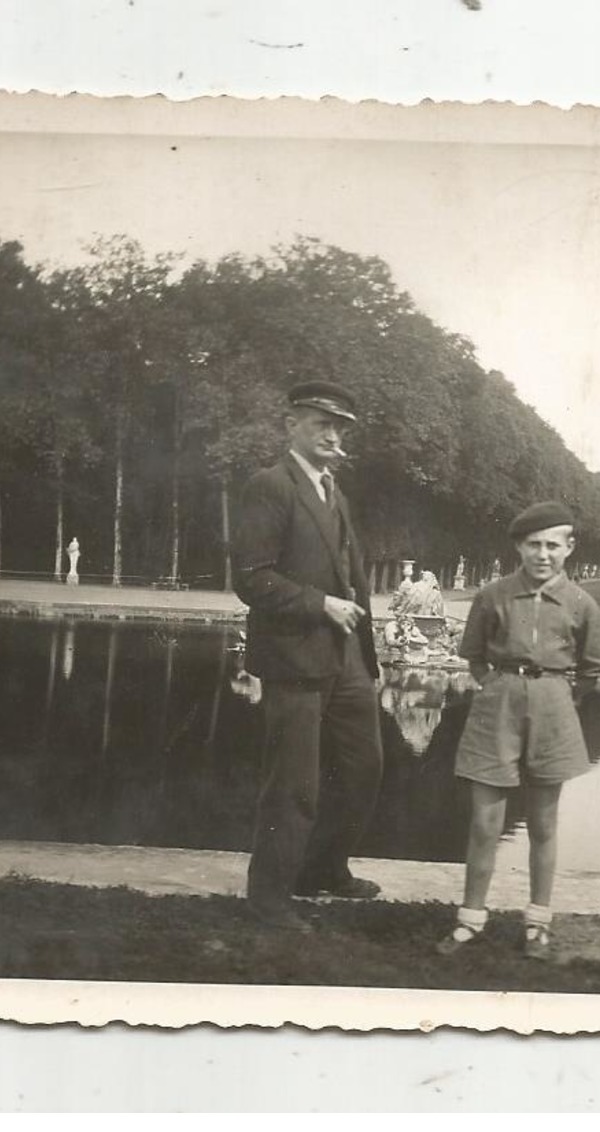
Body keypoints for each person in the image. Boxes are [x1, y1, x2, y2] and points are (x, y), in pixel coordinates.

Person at [232, 380, 384, 933]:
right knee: (293, 784)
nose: (332, 434)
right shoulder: (270, 486)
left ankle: (322, 870)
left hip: (345, 658)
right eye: (321, 423)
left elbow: (355, 581)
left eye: (340, 426)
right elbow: (250, 578)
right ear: (290, 425)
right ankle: (269, 899)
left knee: (365, 768)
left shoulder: (333, 492)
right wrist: (320, 605)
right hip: (294, 658)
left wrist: (370, 658)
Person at [436, 500, 600, 960]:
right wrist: (498, 686)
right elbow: (472, 655)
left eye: (554, 544)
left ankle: (537, 923)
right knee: (484, 822)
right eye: (534, 544)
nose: (543, 554)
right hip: (498, 708)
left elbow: (591, 671)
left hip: (553, 709)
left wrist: (554, 698)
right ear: (519, 546)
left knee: (544, 823)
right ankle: (470, 919)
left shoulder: (582, 604)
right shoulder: (492, 596)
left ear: (569, 548)